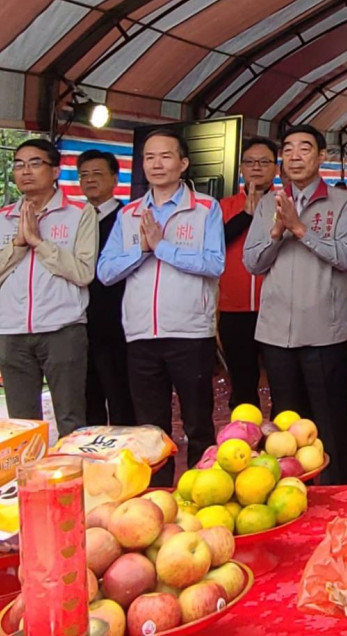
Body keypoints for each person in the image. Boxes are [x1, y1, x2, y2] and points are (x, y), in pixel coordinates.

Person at [97, 129, 224, 485]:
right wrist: (141, 250)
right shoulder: (129, 214)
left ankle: (204, 491)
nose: (157, 163)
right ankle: (158, 496)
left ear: (183, 164)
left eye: (166, 156)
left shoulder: (204, 209)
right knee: (150, 429)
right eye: (150, 157)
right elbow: (105, 273)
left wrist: (163, 247)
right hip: (140, 334)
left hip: (190, 333)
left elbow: (214, 263)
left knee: (198, 422)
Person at [244, 125, 347, 485]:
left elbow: (344, 256)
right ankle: (295, 496)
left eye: (304, 148)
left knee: (329, 424)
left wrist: (301, 230)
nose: (295, 156)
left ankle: (342, 497)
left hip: (324, 334)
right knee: (286, 428)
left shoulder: (342, 202)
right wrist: (277, 233)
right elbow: (253, 263)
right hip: (276, 334)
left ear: (321, 156)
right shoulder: (268, 203)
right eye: (289, 149)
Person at [0, 139, 96, 437]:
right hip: (10, 334)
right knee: (21, 426)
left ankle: (71, 481)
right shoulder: (2, 219)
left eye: (35, 163)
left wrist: (40, 243)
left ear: (55, 170)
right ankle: (30, 482)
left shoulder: (80, 213)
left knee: (70, 419)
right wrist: (18, 245)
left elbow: (83, 273)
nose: (25, 171)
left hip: (62, 330)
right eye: (19, 165)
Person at [76, 149, 134, 426]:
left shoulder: (129, 218)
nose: (90, 181)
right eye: (84, 175)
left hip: (117, 322)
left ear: (115, 178)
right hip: (77, 322)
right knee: (87, 398)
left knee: (121, 395)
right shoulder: (73, 220)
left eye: (97, 174)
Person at [218, 137, 277, 409]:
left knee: (283, 381)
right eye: (250, 162)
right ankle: (242, 441)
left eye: (264, 162)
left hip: (278, 307)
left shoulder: (286, 203)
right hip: (235, 307)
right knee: (242, 384)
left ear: (276, 168)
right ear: (241, 168)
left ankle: (286, 444)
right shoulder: (222, 206)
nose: (257, 168)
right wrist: (245, 216)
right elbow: (214, 244)